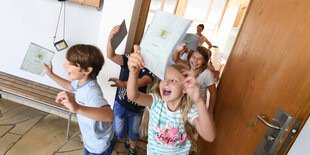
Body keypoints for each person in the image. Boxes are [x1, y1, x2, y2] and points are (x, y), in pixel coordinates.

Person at [126, 45, 216, 154]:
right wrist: (133, 73)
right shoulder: (156, 102)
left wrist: (199, 101)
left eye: (173, 80)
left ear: (185, 89)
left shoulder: (190, 111)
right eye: (164, 79)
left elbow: (210, 136)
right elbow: (133, 96)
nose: (166, 83)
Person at [43, 44, 116, 155]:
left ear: (86, 70)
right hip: (89, 141)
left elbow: (109, 115)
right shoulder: (81, 82)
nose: (64, 66)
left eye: (70, 64)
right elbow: (70, 86)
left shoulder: (92, 92)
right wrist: (51, 75)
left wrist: (77, 108)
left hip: (98, 146)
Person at [107, 25, 154, 155]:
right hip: (120, 103)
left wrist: (124, 84)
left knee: (134, 133)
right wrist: (111, 37)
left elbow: (145, 81)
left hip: (137, 108)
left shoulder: (151, 67)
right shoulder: (129, 58)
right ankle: (126, 136)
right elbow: (110, 55)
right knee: (119, 132)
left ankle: (132, 148)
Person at [173, 46, 217, 116]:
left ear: (204, 61)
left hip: (197, 107)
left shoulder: (207, 74)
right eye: (193, 57)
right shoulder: (188, 66)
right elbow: (176, 60)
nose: (195, 61)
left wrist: (210, 112)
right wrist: (177, 50)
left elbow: (213, 93)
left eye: (199, 59)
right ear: (189, 57)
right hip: (184, 104)